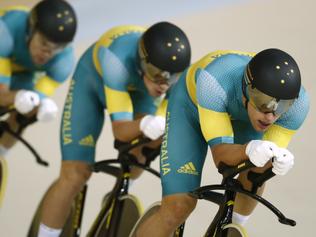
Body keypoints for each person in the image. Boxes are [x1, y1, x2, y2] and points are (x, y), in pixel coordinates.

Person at [36, 21, 191, 237]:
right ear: (143, 61)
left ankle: (119, 194)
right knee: (75, 175)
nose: (163, 84)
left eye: (171, 77)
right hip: (92, 84)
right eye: (157, 73)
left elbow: (164, 121)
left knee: (150, 141)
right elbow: (120, 132)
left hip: (138, 91)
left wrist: (154, 125)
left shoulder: (176, 77)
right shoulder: (116, 60)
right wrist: (146, 124)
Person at [135, 48, 310, 236]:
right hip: (189, 109)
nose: (270, 116)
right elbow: (222, 159)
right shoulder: (214, 82)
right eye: (263, 102)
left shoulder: (298, 106)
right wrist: (249, 149)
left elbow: (261, 164)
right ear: (246, 90)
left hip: (241, 116)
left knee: (254, 177)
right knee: (178, 207)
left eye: (282, 106)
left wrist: (276, 161)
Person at [0, 0, 77, 154]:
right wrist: (18, 96)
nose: (47, 53)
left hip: (22, 72)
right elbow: (1, 96)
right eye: (44, 43)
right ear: (30, 30)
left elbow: (33, 99)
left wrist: (39, 104)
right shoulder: (6, 30)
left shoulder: (64, 62)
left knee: (26, 111)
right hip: (3, 56)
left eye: (57, 48)